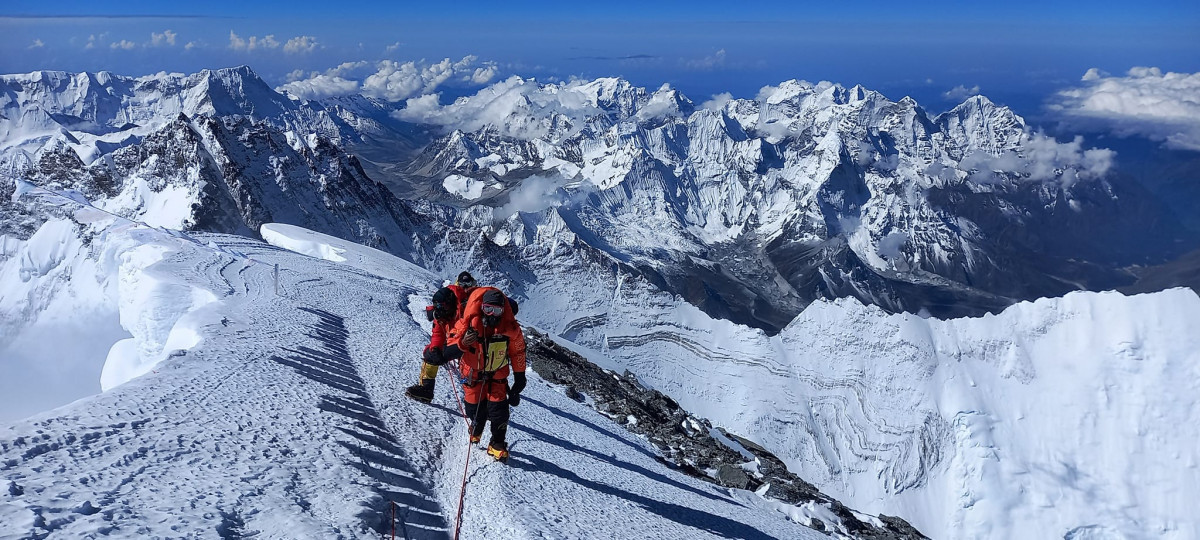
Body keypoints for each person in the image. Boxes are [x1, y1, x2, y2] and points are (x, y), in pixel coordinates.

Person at [443, 286, 526, 461]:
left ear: (503, 311)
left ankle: (497, 443)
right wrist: (463, 343)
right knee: (474, 409)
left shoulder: (510, 329)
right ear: (481, 307)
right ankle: (477, 426)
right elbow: (448, 347)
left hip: (498, 376)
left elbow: (518, 352)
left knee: (499, 412)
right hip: (473, 375)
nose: (492, 314)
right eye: (488, 309)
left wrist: (520, 377)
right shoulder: (466, 325)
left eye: (497, 310)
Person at [404, 272, 478, 404]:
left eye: (468, 284)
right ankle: (426, 390)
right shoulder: (445, 306)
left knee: (433, 355)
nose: (465, 287)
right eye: (463, 284)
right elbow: (438, 332)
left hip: (469, 342)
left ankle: (427, 390)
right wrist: (436, 349)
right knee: (431, 352)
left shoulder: (458, 303)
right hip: (463, 342)